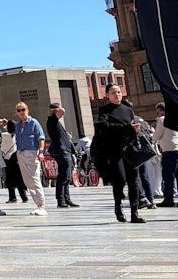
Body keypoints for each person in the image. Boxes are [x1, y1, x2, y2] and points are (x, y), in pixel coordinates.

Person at [90, 83, 145, 223]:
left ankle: (135, 212)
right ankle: (118, 206)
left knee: (133, 181)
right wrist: (127, 128)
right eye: (113, 92)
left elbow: (132, 128)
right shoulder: (104, 110)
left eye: (119, 92)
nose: (117, 94)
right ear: (107, 95)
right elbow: (104, 126)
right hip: (114, 150)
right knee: (120, 179)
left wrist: (135, 131)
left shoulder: (128, 110)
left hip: (129, 149)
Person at [13, 103, 48, 216]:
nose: (21, 112)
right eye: (19, 110)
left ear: (27, 110)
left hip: (32, 153)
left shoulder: (34, 123)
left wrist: (41, 152)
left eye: (23, 109)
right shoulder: (18, 125)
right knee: (27, 181)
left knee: (35, 178)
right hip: (21, 153)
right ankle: (37, 204)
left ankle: (42, 206)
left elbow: (41, 137)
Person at [46, 102, 78, 208]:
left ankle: (67, 198)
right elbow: (62, 111)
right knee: (63, 176)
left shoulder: (56, 122)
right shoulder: (52, 120)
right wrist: (56, 111)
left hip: (66, 151)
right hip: (62, 151)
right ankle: (60, 200)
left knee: (68, 177)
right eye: (56, 110)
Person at [0, 117, 29, 204]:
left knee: (9, 179)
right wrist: (8, 124)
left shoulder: (4, 135)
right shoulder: (17, 135)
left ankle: (12, 197)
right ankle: (24, 197)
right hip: (16, 158)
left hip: (8, 159)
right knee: (19, 179)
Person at [155, 103, 177, 206]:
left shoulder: (162, 120)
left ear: (161, 111)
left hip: (169, 151)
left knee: (168, 176)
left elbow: (156, 136)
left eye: (157, 112)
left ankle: (169, 199)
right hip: (177, 148)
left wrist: (152, 137)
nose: (158, 114)